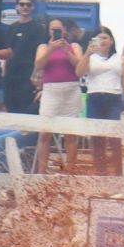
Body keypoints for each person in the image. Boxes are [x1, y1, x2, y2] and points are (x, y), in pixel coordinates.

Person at [33, 19, 83, 170]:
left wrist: (66, 51)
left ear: (64, 31)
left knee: (70, 134)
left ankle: (70, 171)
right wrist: (51, 49)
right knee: (45, 133)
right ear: (48, 31)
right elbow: (38, 65)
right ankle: (41, 171)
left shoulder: (74, 46)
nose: (55, 32)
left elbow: (79, 66)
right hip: (51, 91)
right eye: (52, 29)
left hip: (71, 90)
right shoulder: (43, 47)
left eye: (58, 30)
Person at [80, 28, 124, 173]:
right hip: (95, 97)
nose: (102, 41)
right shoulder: (91, 58)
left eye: (105, 37)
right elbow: (79, 72)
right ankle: (101, 171)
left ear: (111, 41)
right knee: (97, 137)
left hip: (114, 98)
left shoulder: (120, 58)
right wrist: (87, 53)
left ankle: (119, 170)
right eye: (99, 38)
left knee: (115, 137)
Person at [0, 0, 48, 116]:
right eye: (22, 4)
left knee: (26, 112)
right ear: (17, 7)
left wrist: (37, 77)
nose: (25, 7)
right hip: (11, 79)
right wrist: (4, 71)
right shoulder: (12, 28)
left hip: (28, 79)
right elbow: (7, 52)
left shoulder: (38, 29)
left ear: (32, 7)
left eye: (28, 4)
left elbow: (41, 54)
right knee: (11, 111)